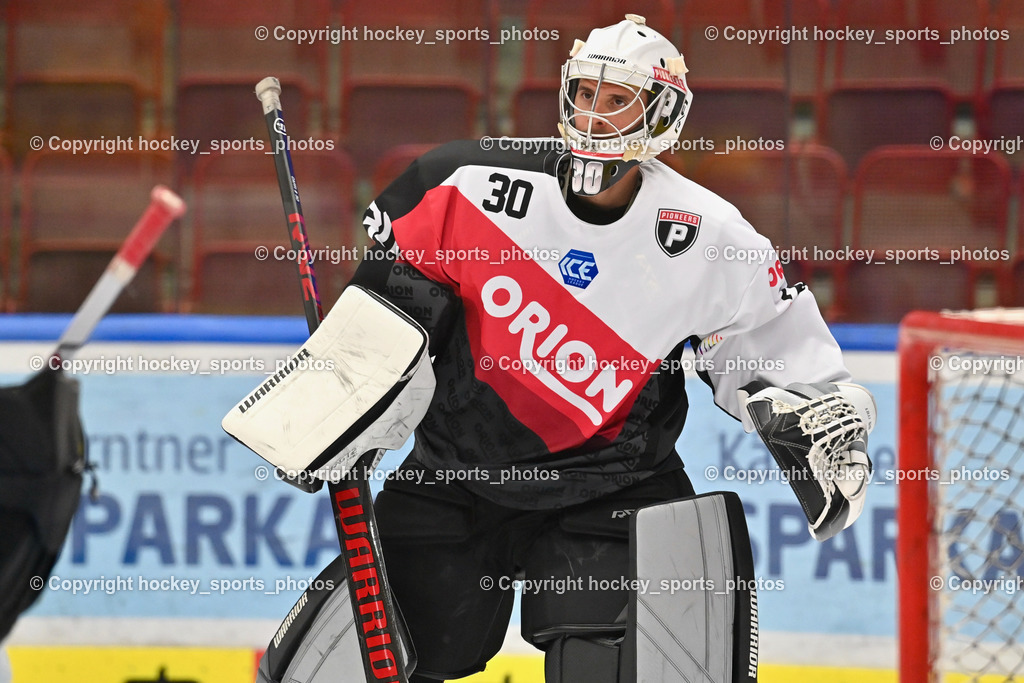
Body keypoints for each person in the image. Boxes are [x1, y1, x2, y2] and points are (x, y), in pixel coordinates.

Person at [345, 14, 875, 682]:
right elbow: (378, 319)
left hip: (608, 487)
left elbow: (782, 360)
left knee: (613, 670)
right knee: (383, 659)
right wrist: (342, 407)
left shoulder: (710, 236)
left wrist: (814, 420)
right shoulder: (460, 183)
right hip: (452, 475)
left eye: (618, 98)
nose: (595, 115)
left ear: (662, 113)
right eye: (586, 93)